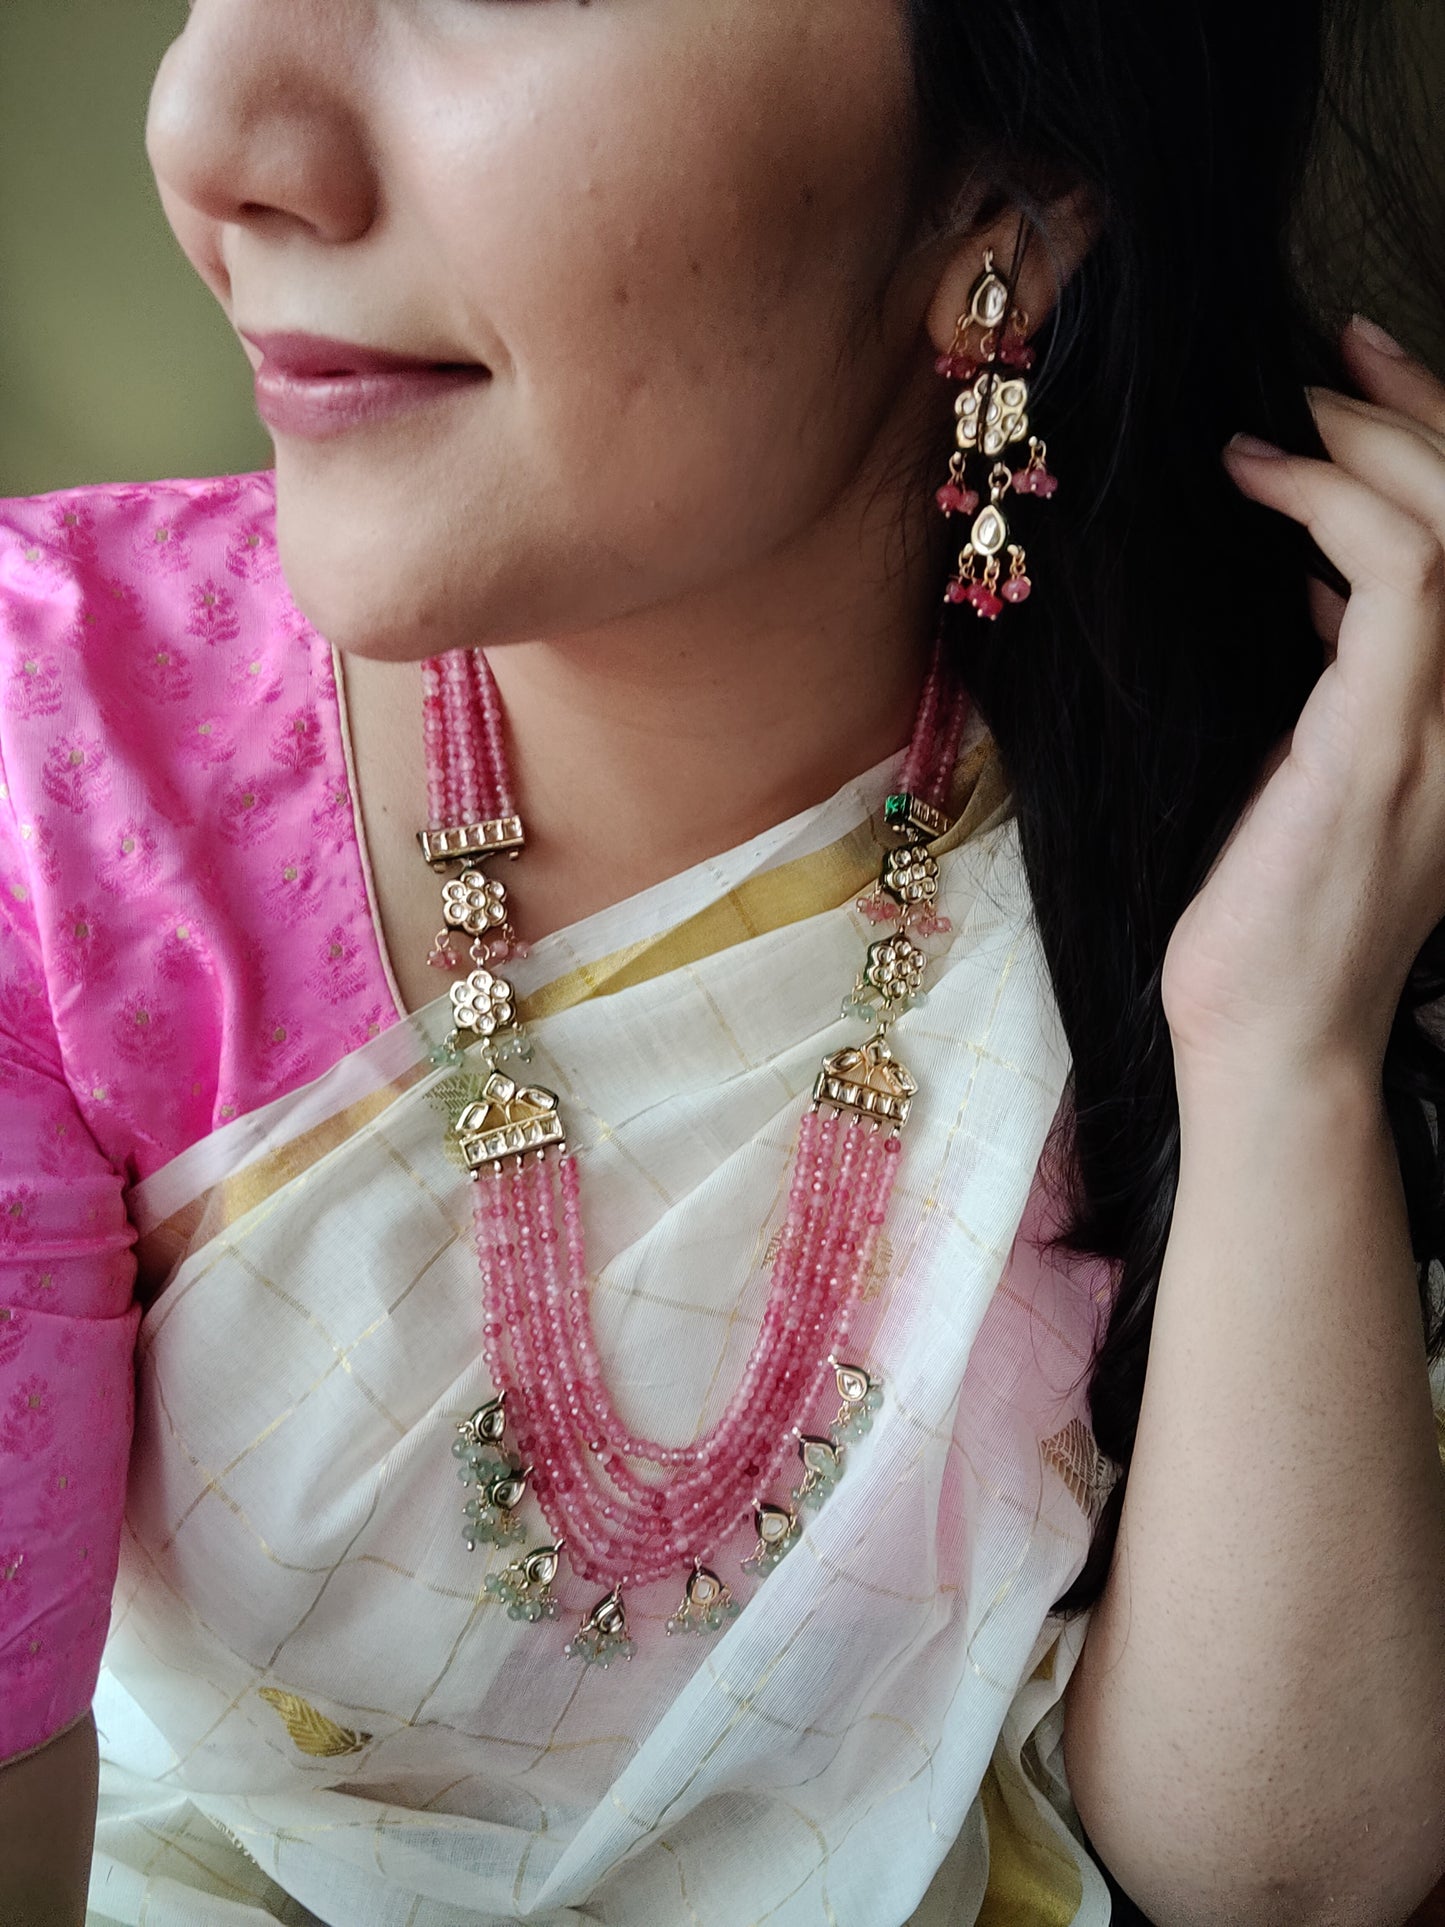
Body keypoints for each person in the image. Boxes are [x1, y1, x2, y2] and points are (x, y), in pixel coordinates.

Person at [2, 2, 1443, 1922]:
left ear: (1001, 199)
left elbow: (1283, 1875)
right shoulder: (59, 786)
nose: (213, 133)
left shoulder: (1293, 767)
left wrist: (1282, 1047)